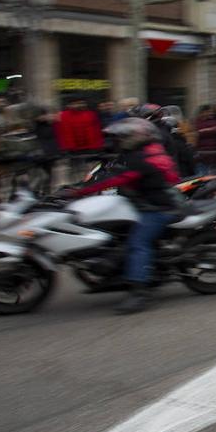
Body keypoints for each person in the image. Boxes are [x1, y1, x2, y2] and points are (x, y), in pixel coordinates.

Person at [61, 118, 180, 314]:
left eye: (124, 136)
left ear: (137, 137)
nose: (120, 140)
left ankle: (139, 293)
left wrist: (76, 192)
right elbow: (109, 173)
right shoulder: (142, 152)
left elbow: (115, 178)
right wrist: (76, 187)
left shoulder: (144, 158)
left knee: (138, 243)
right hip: (142, 204)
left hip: (159, 208)